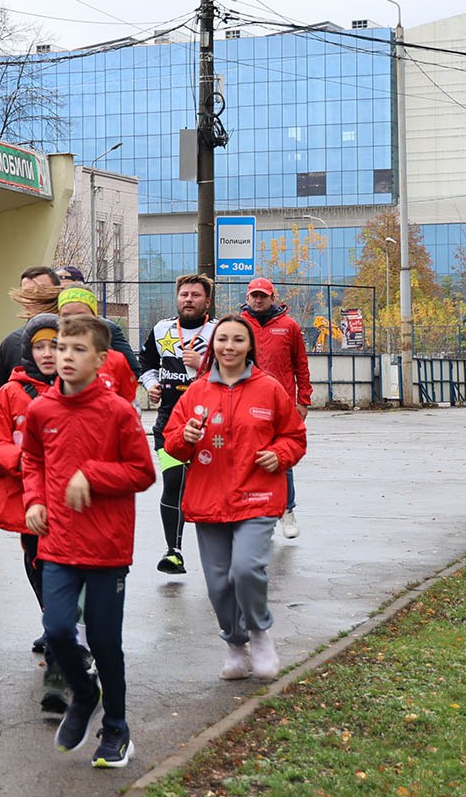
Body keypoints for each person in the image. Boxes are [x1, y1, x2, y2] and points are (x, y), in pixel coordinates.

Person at [21, 315, 157, 768]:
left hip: (106, 547)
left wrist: (91, 475)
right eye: (61, 348)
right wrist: (35, 500)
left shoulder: (119, 411)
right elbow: (32, 460)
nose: (64, 357)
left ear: (101, 360)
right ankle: (84, 692)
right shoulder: (42, 409)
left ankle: (116, 729)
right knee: (58, 630)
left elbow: (143, 472)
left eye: (78, 350)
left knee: (104, 641)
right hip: (58, 540)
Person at [163, 313, 307, 684]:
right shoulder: (197, 391)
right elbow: (172, 444)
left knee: (245, 570)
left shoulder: (270, 388)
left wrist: (281, 454)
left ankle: (259, 634)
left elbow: (294, 436)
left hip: (257, 496)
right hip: (208, 500)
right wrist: (186, 438)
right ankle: (235, 646)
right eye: (223, 340)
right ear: (213, 345)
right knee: (218, 584)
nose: (229, 347)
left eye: (238, 340)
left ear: (250, 346)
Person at [0, 313, 62, 710]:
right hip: (30, 499)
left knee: (66, 566)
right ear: (28, 350)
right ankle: (54, 621)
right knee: (37, 561)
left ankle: (63, 631)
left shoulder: (82, 388)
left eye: (55, 345)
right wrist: (25, 458)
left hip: (74, 502)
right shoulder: (10, 395)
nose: (47, 354)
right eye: (40, 346)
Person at [143, 274, 217, 576]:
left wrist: (202, 364)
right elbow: (145, 363)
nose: (189, 299)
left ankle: (220, 554)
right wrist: (151, 384)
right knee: (173, 483)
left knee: (208, 489)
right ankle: (173, 551)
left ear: (207, 301)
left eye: (196, 295)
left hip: (209, 423)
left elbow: (238, 370)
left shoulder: (218, 332)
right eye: (184, 294)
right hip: (169, 423)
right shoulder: (161, 330)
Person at [239, 278, 312, 539]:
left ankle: (287, 510)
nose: (258, 300)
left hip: (280, 404)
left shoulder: (289, 326)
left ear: (272, 298)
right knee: (247, 458)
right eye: (254, 296)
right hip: (244, 401)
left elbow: (300, 365)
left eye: (263, 296)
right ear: (247, 298)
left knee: (282, 458)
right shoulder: (239, 325)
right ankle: (257, 516)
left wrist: (303, 400)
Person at [56, 287, 138, 402]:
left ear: (94, 317)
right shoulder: (52, 358)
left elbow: (128, 403)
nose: (74, 321)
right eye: (66, 316)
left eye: (82, 315)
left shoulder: (116, 360)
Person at [0, 266, 62, 379]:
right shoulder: (11, 343)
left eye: (42, 290)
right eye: (28, 293)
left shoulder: (74, 338)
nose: (34, 297)